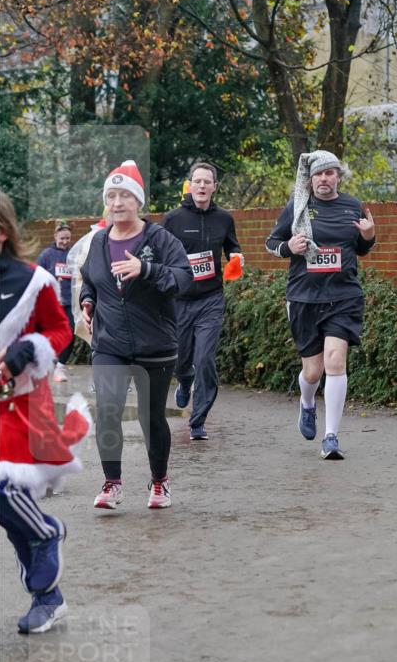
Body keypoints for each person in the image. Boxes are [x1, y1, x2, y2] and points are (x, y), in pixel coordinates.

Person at [0, 191, 91, 633]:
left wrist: (25, 352)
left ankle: (48, 534)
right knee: (11, 514)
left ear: (2, 232)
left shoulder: (32, 281)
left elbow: (60, 329)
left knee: (3, 489)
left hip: (16, 408)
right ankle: (48, 597)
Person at [79, 160, 193, 510]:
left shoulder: (159, 239)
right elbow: (90, 279)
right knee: (108, 411)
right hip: (109, 343)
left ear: (138, 202)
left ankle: (159, 482)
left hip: (154, 344)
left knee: (151, 417)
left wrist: (146, 269)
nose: (117, 203)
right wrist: (87, 300)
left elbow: (183, 278)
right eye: (111, 196)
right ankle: (111, 484)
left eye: (125, 196)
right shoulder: (98, 242)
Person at [265, 150, 376, 459]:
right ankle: (307, 403)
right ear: (310, 178)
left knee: (335, 362)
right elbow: (271, 243)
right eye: (319, 174)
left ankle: (331, 437)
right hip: (304, 298)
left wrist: (369, 235)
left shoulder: (352, 206)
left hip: (343, 297)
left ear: (338, 176)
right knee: (313, 373)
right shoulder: (297, 207)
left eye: (330, 173)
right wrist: (288, 247)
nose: (324, 179)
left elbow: (362, 248)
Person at [161, 162, 243, 441]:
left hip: (211, 298)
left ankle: (198, 421)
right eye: (197, 181)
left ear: (214, 187)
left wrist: (236, 257)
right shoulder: (173, 219)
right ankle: (184, 380)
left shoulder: (224, 218)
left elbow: (233, 246)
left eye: (207, 182)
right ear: (190, 185)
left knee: (205, 358)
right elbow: (161, 255)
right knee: (181, 360)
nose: (202, 186)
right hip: (180, 301)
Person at [36, 221, 74, 382]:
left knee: (71, 334)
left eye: (68, 238)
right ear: (55, 236)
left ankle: (60, 367)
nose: (65, 241)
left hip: (71, 303)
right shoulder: (46, 255)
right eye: (62, 238)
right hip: (52, 304)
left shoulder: (74, 254)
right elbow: (36, 277)